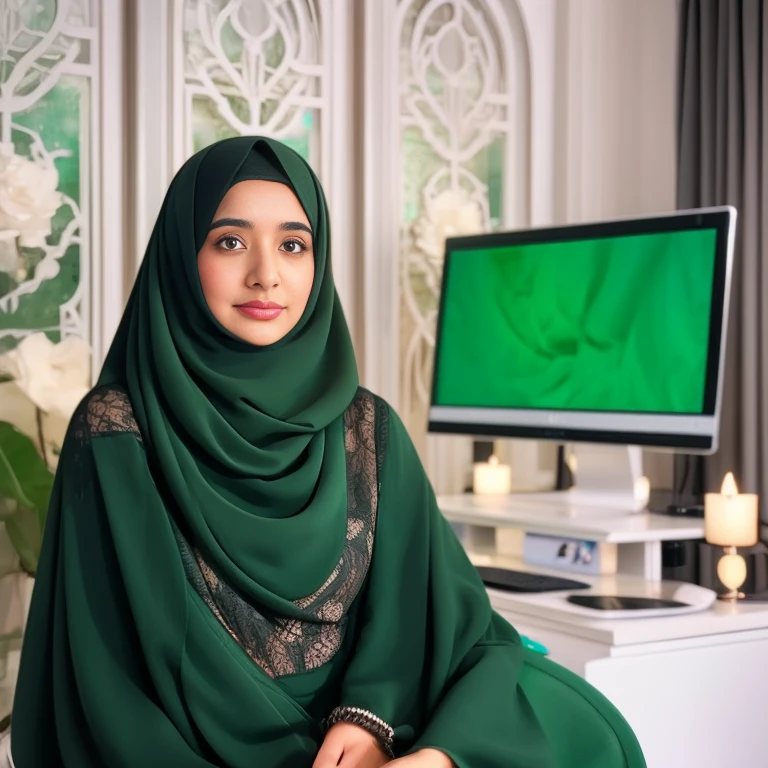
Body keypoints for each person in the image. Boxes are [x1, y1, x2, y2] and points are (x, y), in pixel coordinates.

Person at [9, 137, 555, 767]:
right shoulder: (116, 432)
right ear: (182, 258)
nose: (266, 273)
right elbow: (109, 682)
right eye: (230, 241)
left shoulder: (367, 426)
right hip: (189, 751)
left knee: (578, 722)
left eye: (293, 245)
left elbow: (438, 621)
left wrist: (381, 726)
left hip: (370, 743)